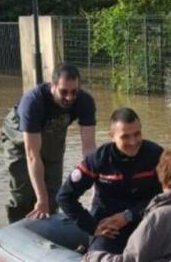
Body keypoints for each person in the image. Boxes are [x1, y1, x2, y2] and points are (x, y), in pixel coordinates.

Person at [57, 107, 163, 254]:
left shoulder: (156, 155)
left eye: (137, 134)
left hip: (145, 219)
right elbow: (65, 197)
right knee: (100, 259)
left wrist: (129, 215)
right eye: (125, 137)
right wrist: (92, 227)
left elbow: (167, 196)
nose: (133, 142)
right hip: (109, 226)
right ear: (111, 136)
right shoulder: (98, 160)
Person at [1, 64, 96, 223]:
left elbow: (89, 149)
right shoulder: (33, 102)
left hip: (53, 135)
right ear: (52, 86)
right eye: (64, 92)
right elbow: (32, 155)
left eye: (74, 92)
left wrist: (96, 187)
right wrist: (40, 198)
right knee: (23, 194)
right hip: (19, 136)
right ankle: (15, 231)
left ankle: (46, 234)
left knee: (53, 196)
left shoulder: (85, 101)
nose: (70, 97)